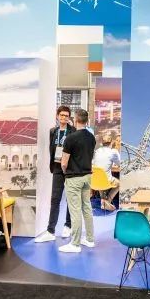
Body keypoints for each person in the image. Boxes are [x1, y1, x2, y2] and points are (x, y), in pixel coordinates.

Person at [35, 106, 75, 243]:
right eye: (61, 115)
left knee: (70, 198)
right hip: (57, 168)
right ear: (57, 116)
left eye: (66, 116)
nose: (64, 118)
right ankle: (50, 230)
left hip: (70, 168)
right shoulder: (53, 131)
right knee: (55, 199)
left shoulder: (73, 131)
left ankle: (68, 226)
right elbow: (51, 149)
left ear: (69, 117)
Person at [58, 108, 95, 254]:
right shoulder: (91, 138)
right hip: (87, 177)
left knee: (75, 211)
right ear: (86, 120)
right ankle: (90, 239)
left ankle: (75, 244)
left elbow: (64, 162)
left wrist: (65, 171)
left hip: (74, 178)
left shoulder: (70, 138)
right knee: (87, 208)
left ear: (75, 119)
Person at [91, 133, 121, 211]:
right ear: (111, 142)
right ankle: (108, 201)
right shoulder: (113, 152)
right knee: (119, 184)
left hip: (95, 181)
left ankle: (103, 201)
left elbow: (93, 163)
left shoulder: (97, 151)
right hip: (106, 181)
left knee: (101, 179)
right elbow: (119, 164)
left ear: (102, 142)